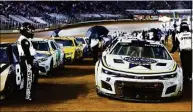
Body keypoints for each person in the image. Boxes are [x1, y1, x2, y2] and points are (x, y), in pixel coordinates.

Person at [17, 22, 36, 101]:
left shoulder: (22, 38)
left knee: (24, 79)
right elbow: (27, 53)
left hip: (23, 60)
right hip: (26, 61)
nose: (32, 32)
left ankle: (22, 94)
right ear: (26, 29)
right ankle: (27, 96)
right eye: (30, 30)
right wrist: (30, 63)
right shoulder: (24, 40)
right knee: (29, 79)